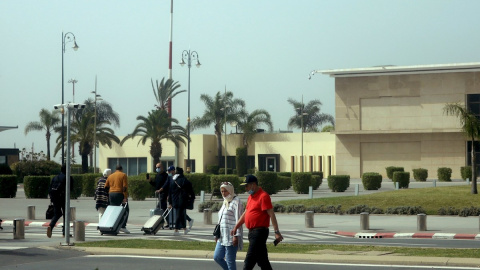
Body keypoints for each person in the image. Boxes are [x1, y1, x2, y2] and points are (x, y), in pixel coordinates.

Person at [231, 175, 283, 270]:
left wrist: (276, 232)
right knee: (262, 261)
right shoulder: (251, 197)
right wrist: (236, 226)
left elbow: (271, 214)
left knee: (249, 260)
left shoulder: (263, 196)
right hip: (252, 232)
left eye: (247, 186)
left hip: (259, 232)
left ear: (253, 185)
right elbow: (246, 213)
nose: (246, 189)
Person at [214, 182, 243, 270]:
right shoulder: (225, 201)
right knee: (217, 257)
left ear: (230, 190)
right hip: (222, 236)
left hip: (231, 236)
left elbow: (239, 219)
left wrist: (236, 235)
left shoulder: (236, 202)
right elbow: (220, 218)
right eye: (222, 191)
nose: (223, 193)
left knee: (230, 261)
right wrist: (217, 234)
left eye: (225, 191)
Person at [47, 163, 73, 238]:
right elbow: (70, 189)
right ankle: (65, 232)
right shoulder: (68, 177)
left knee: (57, 213)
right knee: (66, 215)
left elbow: (50, 188)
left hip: (55, 198)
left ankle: (51, 226)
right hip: (64, 198)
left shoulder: (55, 177)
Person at [167, 167, 195, 236]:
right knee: (179, 214)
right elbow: (191, 191)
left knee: (180, 214)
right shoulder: (185, 180)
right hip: (182, 200)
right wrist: (192, 198)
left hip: (174, 200)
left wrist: (170, 202)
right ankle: (176, 230)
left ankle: (185, 229)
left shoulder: (173, 180)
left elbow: (170, 192)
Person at [104, 164, 130, 234]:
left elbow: (106, 187)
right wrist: (125, 197)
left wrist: (108, 194)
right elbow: (124, 187)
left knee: (113, 210)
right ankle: (123, 226)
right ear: (121, 169)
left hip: (111, 194)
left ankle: (111, 224)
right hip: (119, 193)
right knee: (125, 210)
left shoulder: (110, 176)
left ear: (115, 169)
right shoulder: (123, 175)